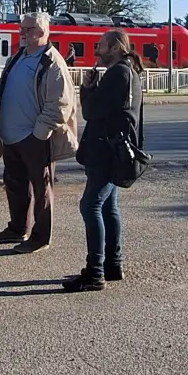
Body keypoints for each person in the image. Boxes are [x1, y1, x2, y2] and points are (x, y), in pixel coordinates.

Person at [0, 11, 78, 254]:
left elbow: (60, 104)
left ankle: (40, 237)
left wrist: (39, 133)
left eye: (27, 29)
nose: (22, 33)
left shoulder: (52, 62)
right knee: (15, 184)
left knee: (41, 188)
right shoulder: (18, 57)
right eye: (22, 28)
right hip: (11, 136)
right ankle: (18, 228)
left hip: (35, 138)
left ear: (41, 32)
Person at [65, 30, 143, 292]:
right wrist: (92, 88)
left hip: (107, 151)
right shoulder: (127, 71)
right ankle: (113, 264)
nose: (97, 49)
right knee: (109, 207)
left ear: (116, 47)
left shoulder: (119, 73)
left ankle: (95, 271)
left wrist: (87, 89)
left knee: (90, 205)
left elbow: (91, 111)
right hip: (114, 150)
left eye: (101, 45)